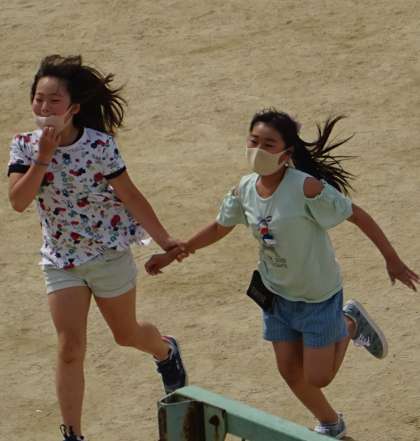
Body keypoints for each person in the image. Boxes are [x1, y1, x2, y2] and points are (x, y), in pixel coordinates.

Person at [145, 109, 419, 439]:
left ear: (286, 154)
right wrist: (175, 253)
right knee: (289, 370)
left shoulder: (306, 188)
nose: (258, 150)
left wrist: (392, 259)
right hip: (275, 295)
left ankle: (349, 323)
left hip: (317, 296)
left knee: (319, 377)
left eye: (268, 144)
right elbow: (219, 227)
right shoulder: (244, 189)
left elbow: (356, 214)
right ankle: (331, 423)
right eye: (254, 141)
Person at [7, 55, 187, 441]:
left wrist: (164, 239)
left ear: (73, 108)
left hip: (107, 254)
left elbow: (131, 195)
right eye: (38, 99)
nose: (44, 107)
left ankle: (165, 351)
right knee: (70, 348)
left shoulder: (100, 145)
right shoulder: (23, 146)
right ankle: (73, 435)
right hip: (61, 260)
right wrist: (43, 159)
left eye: (54, 100)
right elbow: (18, 201)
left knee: (126, 334)